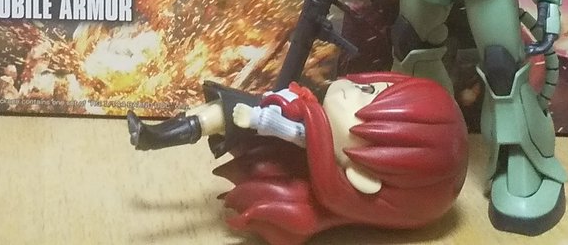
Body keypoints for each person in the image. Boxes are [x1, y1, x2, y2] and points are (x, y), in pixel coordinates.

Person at [129, 72, 467, 244]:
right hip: (269, 118)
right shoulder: (311, 117)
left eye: (364, 109)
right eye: (371, 88)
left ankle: (153, 138)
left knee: (225, 114)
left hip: (269, 122)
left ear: (363, 179)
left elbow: (288, 129)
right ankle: (155, 136)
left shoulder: (311, 136)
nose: (350, 90)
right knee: (219, 111)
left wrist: (264, 119)